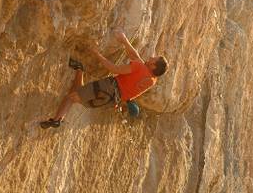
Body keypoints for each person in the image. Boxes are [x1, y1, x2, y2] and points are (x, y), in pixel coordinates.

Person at [40, 29, 168, 129]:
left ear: (153, 65)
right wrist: (124, 40)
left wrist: (97, 54)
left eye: (153, 59)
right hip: (111, 100)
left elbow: (114, 69)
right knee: (79, 95)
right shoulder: (151, 80)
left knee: (71, 98)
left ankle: (56, 120)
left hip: (108, 88)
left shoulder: (140, 67)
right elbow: (135, 57)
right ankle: (80, 69)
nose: (151, 57)